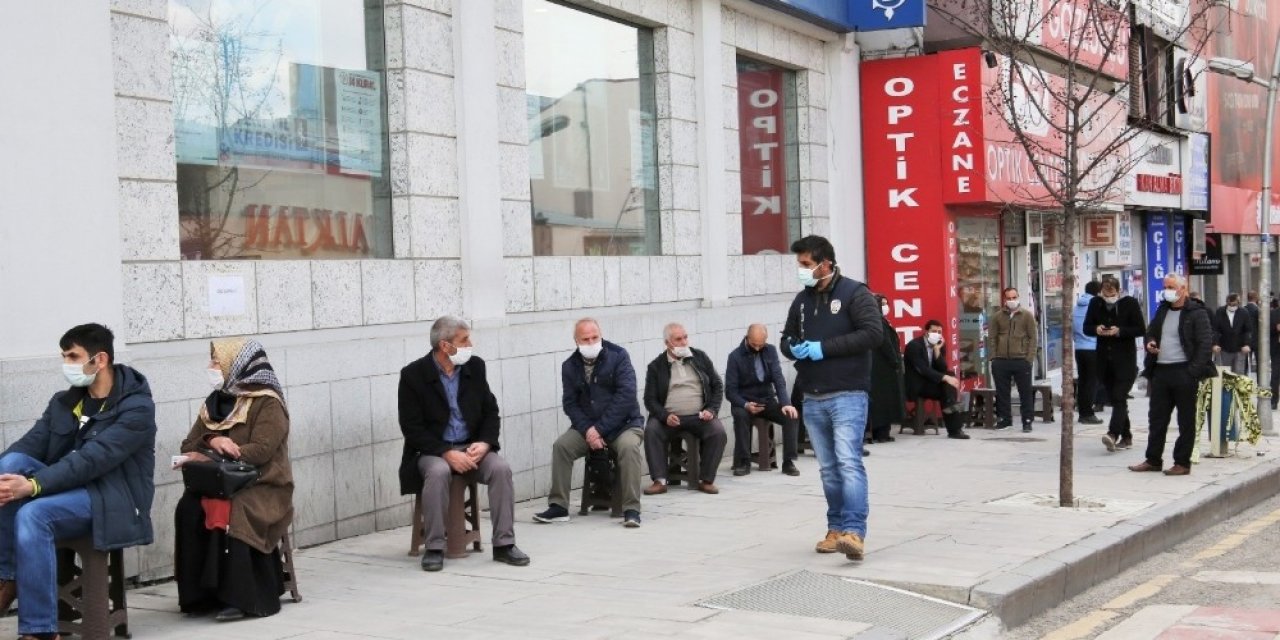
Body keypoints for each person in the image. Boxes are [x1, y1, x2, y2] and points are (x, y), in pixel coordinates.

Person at [0, 324, 156, 640]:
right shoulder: (64, 402)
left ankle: (40, 631)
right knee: (10, 465)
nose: (66, 364)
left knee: (33, 513)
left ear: (100, 360)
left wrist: (33, 485)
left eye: (73, 356)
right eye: (64, 356)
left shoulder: (136, 407)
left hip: (111, 498)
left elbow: (92, 459)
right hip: (66, 488)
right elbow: (29, 445)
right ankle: (7, 576)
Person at [174, 338, 293, 621]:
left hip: (262, 483)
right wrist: (212, 440)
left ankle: (240, 597)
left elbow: (262, 451)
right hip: (222, 480)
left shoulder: (267, 402)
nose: (212, 367)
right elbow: (188, 444)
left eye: (217, 362)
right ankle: (200, 595)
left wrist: (219, 455)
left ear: (237, 365)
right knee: (189, 507)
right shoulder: (215, 402)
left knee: (234, 508)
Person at [398, 316, 529, 571]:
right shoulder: (413, 375)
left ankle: (504, 544)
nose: (470, 344)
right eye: (464, 340)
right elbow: (411, 428)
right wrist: (446, 453)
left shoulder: (475, 367)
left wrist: (486, 443)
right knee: (438, 473)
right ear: (445, 346)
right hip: (433, 451)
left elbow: (490, 411)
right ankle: (435, 547)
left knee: (501, 469)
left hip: (471, 447)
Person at [782, 235, 881, 562]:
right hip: (813, 395)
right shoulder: (802, 300)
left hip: (848, 393)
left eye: (806, 264)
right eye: (799, 264)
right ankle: (835, 529)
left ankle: (854, 531)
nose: (801, 270)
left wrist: (822, 348)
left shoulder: (855, 293)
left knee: (848, 462)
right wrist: (793, 347)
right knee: (828, 469)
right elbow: (786, 338)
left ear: (825, 264)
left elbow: (872, 334)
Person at [533, 318, 645, 527]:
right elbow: (570, 404)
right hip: (588, 427)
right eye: (585, 339)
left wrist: (599, 429)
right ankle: (558, 506)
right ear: (576, 341)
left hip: (624, 425)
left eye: (595, 337)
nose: (591, 342)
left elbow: (626, 395)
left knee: (629, 448)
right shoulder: (569, 366)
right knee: (561, 447)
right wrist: (588, 430)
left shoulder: (619, 356)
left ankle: (632, 509)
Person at [1130, 273, 1216, 476]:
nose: (1167, 291)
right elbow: (1151, 332)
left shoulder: (1196, 313)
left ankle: (1182, 462)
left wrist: (1192, 371)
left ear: (1183, 289)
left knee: (1186, 420)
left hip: (1184, 371)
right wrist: (1151, 342)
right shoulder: (1163, 309)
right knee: (1157, 419)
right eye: (1165, 287)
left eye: (1171, 287)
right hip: (1161, 371)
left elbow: (1205, 344)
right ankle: (1153, 459)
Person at [642, 323, 728, 495]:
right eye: (678, 339)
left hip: (699, 416)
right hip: (669, 418)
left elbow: (717, 385)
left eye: (685, 337)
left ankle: (706, 480)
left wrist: (711, 410)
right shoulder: (656, 366)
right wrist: (664, 416)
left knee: (718, 432)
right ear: (667, 343)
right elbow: (649, 399)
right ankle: (659, 480)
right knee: (651, 430)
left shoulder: (700, 357)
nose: (684, 342)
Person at [725, 324, 800, 476]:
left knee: (791, 416)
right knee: (740, 416)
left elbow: (778, 379)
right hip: (744, 402)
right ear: (747, 338)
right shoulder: (735, 357)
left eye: (761, 345)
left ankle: (788, 461)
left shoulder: (770, 351)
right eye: (754, 345)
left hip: (766, 400)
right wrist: (746, 405)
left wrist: (786, 403)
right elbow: (730, 391)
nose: (757, 348)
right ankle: (743, 461)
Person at [1085, 276, 1146, 452]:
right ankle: (1127, 437)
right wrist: (1096, 329)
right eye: (1105, 292)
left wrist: (1120, 331)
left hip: (1125, 360)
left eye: (1111, 292)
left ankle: (1113, 434)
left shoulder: (1130, 303)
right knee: (1116, 398)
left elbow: (1140, 329)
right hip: (1104, 359)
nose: (1108, 296)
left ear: (1118, 291)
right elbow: (1086, 327)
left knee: (1119, 396)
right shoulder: (1095, 303)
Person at [903, 320, 970, 439]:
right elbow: (922, 369)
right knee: (948, 385)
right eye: (934, 331)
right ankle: (955, 429)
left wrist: (937, 350)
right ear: (926, 332)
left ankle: (955, 428)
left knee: (948, 387)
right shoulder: (914, 346)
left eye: (939, 332)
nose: (937, 334)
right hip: (917, 385)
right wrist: (945, 378)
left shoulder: (939, 345)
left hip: (931, 383)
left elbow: (942, 368)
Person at [990, 287, 1039, 432]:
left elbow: (1033, 338)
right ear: (1004, 299)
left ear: (1018, 297)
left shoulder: (1027, 316)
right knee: (1002, 392)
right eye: (1009, 298)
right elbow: (992, 337)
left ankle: (1027, 421)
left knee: (1025, 392)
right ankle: (1005, 420)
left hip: (1021, 360)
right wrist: (993, 357)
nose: (1011, 300)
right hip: (1001, 360)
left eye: (1014, 297)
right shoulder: (997, 316)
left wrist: (1029, 358)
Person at [866, 295, 906, 444]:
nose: (885, 306)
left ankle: (879, 432)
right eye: (881, 303)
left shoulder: (873, 320)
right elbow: (886, 344)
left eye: (886, 303)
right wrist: (895, 361)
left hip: (877, 366)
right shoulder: (879, 322)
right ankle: (882, 433)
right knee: (885, 401)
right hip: (884, 367)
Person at [1073, 281, 1103, 425]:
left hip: (1079, 349)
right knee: (1092, 382)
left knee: (1083, 381)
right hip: (1093, 348)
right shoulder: (1097, 306)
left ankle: (1082, 412)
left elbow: (1071, 329)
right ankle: (1088, 413)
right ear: (1098, 292)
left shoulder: (1076, 307)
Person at [1212, 292, 1253, 375]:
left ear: (1238, 303)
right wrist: (1215, 344)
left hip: (1240, 349)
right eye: (1230, 304)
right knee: (1225, 374)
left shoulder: (1244, 312)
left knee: (1239, 374)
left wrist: (1247, 344)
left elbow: (1248, 330)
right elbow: (1215, 329)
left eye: (1234, 304)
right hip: (1224, 348)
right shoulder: (1220, 312)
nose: (1232, 306)